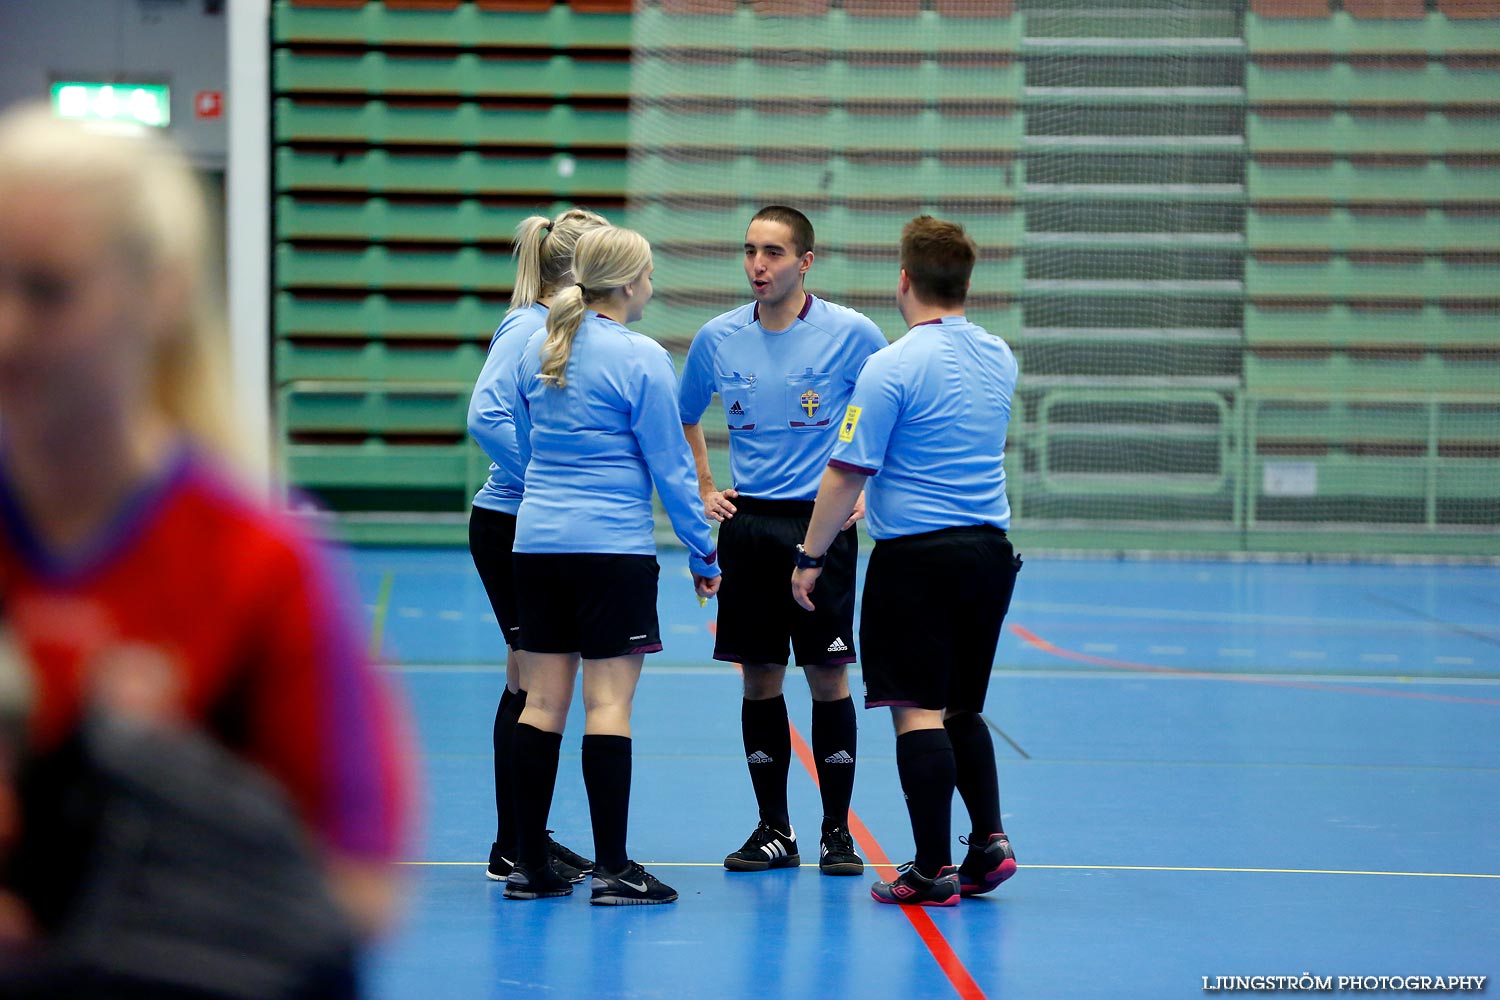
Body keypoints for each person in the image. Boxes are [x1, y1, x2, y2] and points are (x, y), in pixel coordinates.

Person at [0, 104, 412, 983]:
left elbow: (360, 885)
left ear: (161, 292)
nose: (6, 329)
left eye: (46, 289)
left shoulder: (257, 562)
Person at [791, 215, 1022, 907]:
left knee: (915, 711)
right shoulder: (999, 355)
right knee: (962, 708)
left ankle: (929, 868)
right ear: (965, 281)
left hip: (917, 560)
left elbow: (845, 472)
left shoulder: (890, 364)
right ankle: (988, 843)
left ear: (904, 280)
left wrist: (811, 554)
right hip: (987, 552)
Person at [505, 226, 720, 905]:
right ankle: (615, 870)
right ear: (628, 284)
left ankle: (528, 864)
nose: (652, 284)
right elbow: (671, 466)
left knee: (540, 703)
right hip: (611, 551)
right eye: (649, 273)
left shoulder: (540, 346)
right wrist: (703, 549)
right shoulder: (641, 357)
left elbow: (521, 436)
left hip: (536, 546)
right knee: (608, 705)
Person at [679, 206, 886, 876]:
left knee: (828, 676)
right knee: (760, 677)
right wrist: (706, 486)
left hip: (818, 526)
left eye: (772, 252)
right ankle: (775, 829)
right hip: (749, 528)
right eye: (749, 251)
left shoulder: (853, 335)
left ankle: (835, 832)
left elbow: (891, 416)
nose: (757, 265)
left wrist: (866, 498)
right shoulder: (717, 338)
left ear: (805, 262)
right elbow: (684, 418)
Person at [467, 208, 607, 885]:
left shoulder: (564, 327)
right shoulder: (527, 326)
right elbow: (484, 414)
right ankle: (515, 846)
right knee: (533, 681)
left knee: (530, 680)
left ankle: (522, 839)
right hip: (510, 523)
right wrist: (540, 477)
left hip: (537, 528)